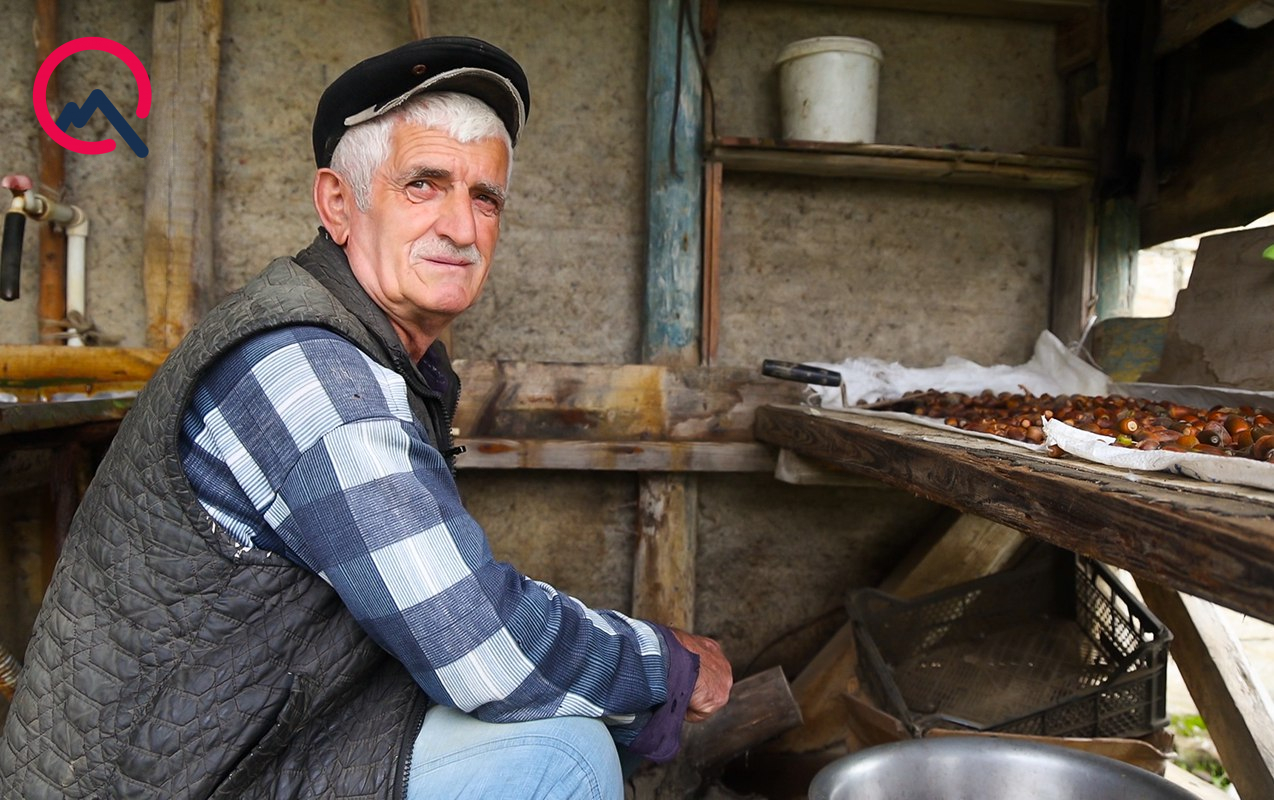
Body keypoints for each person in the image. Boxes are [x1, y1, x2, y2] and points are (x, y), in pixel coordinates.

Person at [0, 36, 732, 799]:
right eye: (424, 185)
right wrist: (667, 665)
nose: (462, 228)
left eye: (484, 198)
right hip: (165, 779)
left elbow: (450, 605)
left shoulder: (369, 350)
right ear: (338, 205)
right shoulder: (314, 377)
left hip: (239, 738)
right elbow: (480, 651)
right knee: (564, 755)